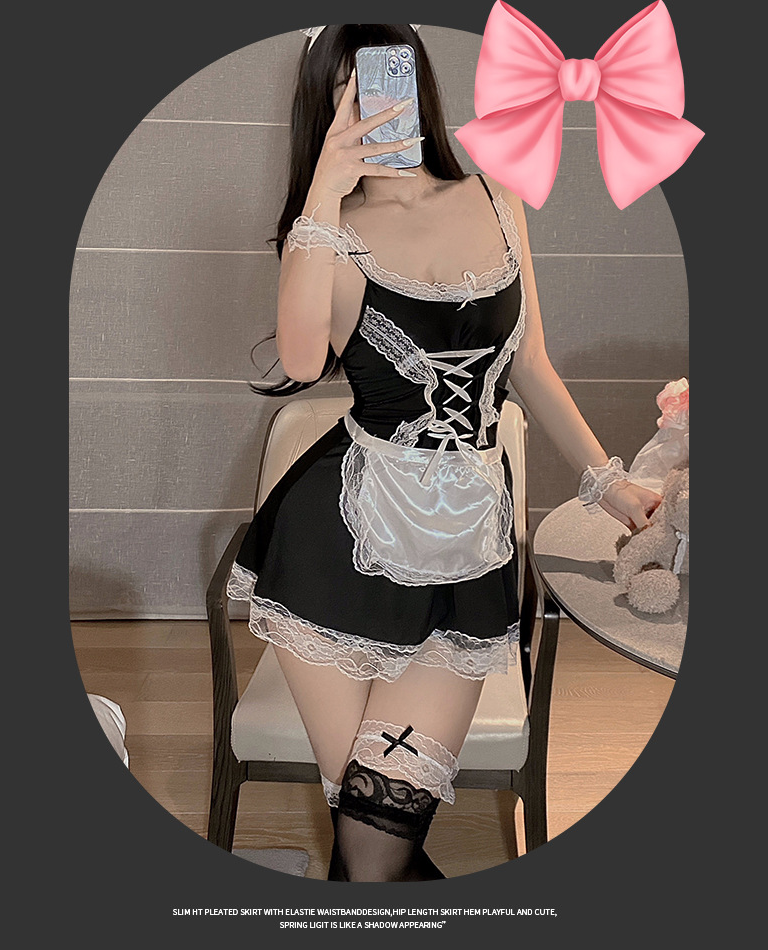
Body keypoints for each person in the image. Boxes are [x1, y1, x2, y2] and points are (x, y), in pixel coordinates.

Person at [227, 24, 661, 882]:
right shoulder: (326, 233)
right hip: (337, 542)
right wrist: (322, 193)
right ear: (322, 108)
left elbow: (529, 363)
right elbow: (304, 360)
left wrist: (609, 486)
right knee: (370, 836)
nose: (372, 106)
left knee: (379, 828)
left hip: (469, 552)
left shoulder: (497, 199)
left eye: (384, 80)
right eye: (347, 91)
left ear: (418, 84)